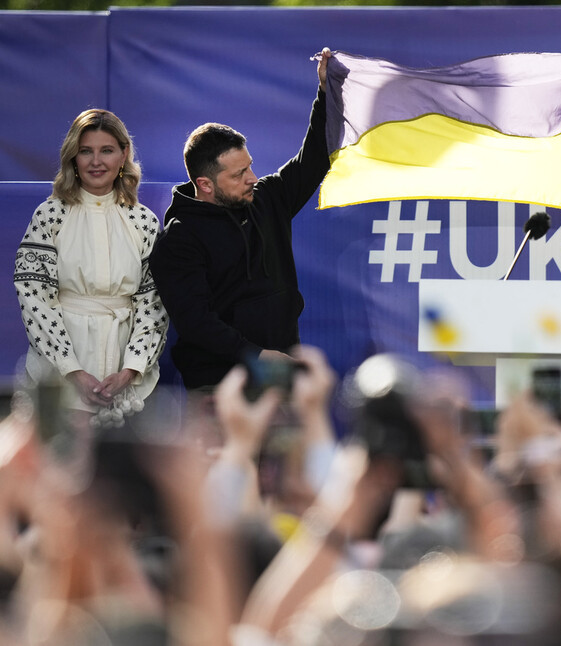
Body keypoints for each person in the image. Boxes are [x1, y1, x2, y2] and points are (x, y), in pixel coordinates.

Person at [149, 49, 332, 390]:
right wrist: (257, 355)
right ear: (204, 184)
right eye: (238, 174)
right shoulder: (177, 242)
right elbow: (196, 323)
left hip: (280, 376)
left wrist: (324, 93)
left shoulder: (268, 197)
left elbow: (315, 159)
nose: (252, 177)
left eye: (249, 166)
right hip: (216, 387)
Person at [13, 109, 167, 421]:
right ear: (73, 157)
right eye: (86, 151)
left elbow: (153, 303)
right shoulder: (50, 215)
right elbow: (34, 297)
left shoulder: (144, 221)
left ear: (123, 155)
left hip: (128, 376)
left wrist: (130, 371)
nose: (96, 161)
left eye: (106, 150)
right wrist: (72, 371)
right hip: (60, 374)